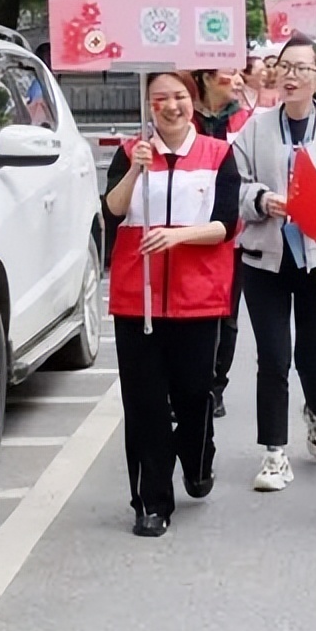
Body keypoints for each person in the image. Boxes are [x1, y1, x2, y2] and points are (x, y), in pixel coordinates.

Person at [103, 72, 240, 538]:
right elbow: (114, 210)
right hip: (136, 301)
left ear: (194, 101)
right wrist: (138, 169)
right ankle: (151, 502)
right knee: (145, 406)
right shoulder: (128, 154)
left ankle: (199, 460)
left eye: (179, 96)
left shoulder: (219, 155)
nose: (171, 106)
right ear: (148, 105)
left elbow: (225, 224)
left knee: (193, 397)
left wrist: (177, 237)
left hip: (197, 300)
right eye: (159, 98)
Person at [232, 35, 316, 492]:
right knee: (272, 356)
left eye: (301, 69)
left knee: (313, 355)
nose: (290, 75)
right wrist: (263, 199)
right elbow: (236, 184)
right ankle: (273, 453)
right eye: (284, 66)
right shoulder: (254, 127)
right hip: (264, 258)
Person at [192, 68, 253, 418]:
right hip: (188, 231)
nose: (239, 80)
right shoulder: (185, 117)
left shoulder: (246, 121)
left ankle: (216, 386)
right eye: (230, 73)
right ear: (206, 78)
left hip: (234, 236)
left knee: (226, 317)